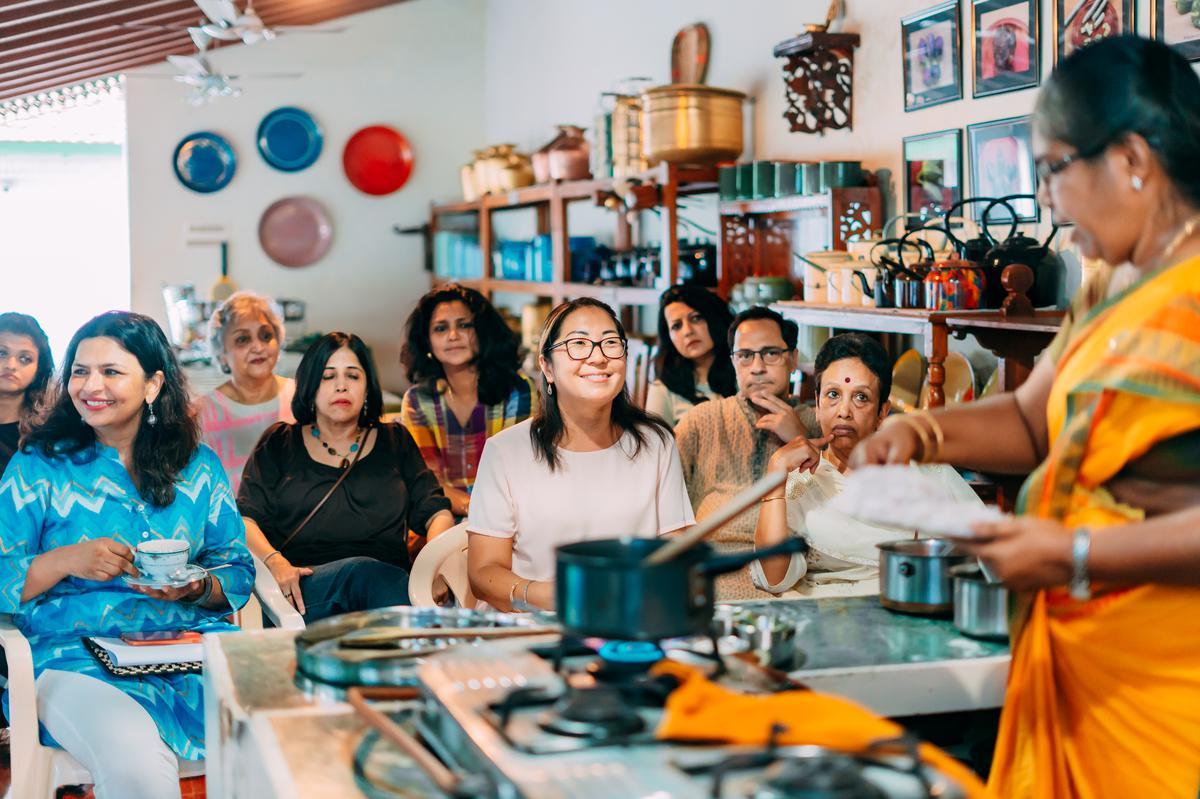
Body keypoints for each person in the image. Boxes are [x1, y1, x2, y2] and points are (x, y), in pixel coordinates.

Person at [852, 36, 1200, 799]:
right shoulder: (1113, 280)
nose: (1046, 200)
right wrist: (919, 433)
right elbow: (1035, 418)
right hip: (1082, 675)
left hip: (1172, 698)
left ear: (1133, 160)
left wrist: (1076, 554)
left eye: (1052, 168)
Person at [0, 311, 254, 799]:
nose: (90, 385)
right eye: (79, 370)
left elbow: (235, 565)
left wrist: (197, 586)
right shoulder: (38, 466)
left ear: (153, 384)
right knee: (135, 762)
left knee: (277, 735)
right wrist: (65, 561)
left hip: (190, 649)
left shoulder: (197, 466)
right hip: (71, 654)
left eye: (111, 372)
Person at [466, 298, 694, 611]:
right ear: (547, 366)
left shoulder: (655, 442)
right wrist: (546, 595)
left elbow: (676, 551)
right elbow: (482, 573)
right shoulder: (506, 451)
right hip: (531, 624)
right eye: (579, 344)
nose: (598, 357)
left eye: (611, 343)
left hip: (626, 620)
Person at [239, 332, 454, 621]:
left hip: (387, 591)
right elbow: (245, 518)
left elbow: (436, 511)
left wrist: (433, 565)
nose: (341, 386)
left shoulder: (395, 440)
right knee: (360, 573)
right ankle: (429, 638)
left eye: (353, 376)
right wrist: (274, 561)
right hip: (303, 593)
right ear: (310, 385)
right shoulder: (279, 443)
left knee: (371, 576)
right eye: (328, 377)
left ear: (367, 387)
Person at [751, 333, 981, 596]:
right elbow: (773, 579)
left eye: (861, 397)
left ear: (882, 412)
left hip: (903, 610)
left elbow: (980, 555)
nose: (844, 411)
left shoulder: (922, 473)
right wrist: (775, 475)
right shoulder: (800, 480)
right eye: (833, 394)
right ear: (816, 404)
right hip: (819, 620)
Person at [674, 305, 820, 600]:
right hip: (710, 571)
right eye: (745, 356)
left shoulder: (816, 422)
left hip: (789, 575)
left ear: (792, 358)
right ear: (733, 362)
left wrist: (800, 438)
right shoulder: (702, 421)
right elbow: (663, 511)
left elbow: (835, 504)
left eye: (770, 353)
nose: (757, 367)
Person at [399, 284, 535, 517]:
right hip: (442, 519)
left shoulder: (517, 390)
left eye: (464, 325)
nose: (453, 336)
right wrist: (475, 511)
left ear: (483, 332)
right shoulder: (417, 400)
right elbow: (427, 482)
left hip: (510, 517)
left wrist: (488, 519)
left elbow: (517, 473)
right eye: (441, 328)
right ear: (427, 342)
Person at [193, 292, 295, 493]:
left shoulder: (301, 397)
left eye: (266, 336)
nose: (258, 347)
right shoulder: (200, 414)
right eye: (243, 339)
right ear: (222, 354)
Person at [643, 285, 736, 427]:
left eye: (696, 318)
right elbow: (655, 447)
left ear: (715, 318)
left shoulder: (744, 373)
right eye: (677, 326)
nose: (687, 331)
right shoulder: (663, 390)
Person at [0, 312, 54, 473]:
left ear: (39, 370)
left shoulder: (48, 433)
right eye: (2, 353)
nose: (11, 365)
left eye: (25, 358)